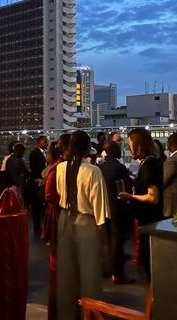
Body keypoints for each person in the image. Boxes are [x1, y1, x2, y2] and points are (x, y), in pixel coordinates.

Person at [55, 131, 111, 320]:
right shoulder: (93, 171)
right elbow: (100, 212)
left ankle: (66, 315)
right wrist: (105, 243)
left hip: (65, 219)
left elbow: (59, 193)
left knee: (66, 276)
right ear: (88, 148)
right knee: (90, 276)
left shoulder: (61, 168)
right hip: (87, 223)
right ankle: (91, 316)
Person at [118, 127, 163, 283]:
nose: (129, 147)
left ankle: (153, 295)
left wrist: (131, 196)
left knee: (149, 265)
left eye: (130, 143)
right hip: (147, 220)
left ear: (138, 144)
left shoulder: (149, 164)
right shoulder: (149, 162)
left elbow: (153, 197)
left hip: (149, 220)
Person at [98, 140, 135, 284]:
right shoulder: (120, 167)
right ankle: (117, 273)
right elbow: (126, 187)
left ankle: (106, 268)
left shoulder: (99, 167)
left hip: (103, 208)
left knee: (106, 240)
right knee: (117, 241)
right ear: (114, 151)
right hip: (118, 208)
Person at [42, 134, 70, 320]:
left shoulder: (61, 165)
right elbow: (49, 194)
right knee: (57, 264)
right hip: (57, 216)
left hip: (60, 215)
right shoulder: (58, 167)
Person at [28, 135, 49, 238]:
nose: (46, 143)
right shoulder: (34, 153)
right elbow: (34, 167)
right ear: (39, 142)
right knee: (36, 205)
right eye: (44, 141)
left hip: (44, 181)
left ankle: (44, 227)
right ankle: (37, 227)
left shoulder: (46, 152)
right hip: (37, 181)